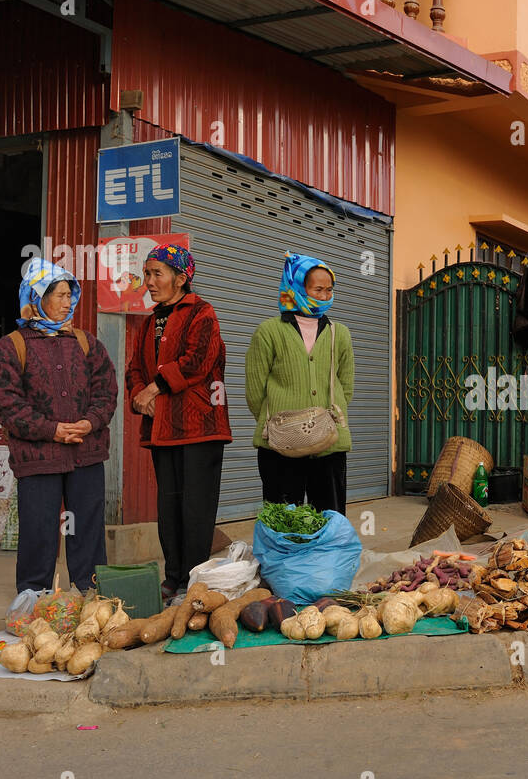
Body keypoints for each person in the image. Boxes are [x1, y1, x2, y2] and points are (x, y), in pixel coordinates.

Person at [0, 259, 116, 593]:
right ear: (36, 297)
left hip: (85, 454)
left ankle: (92, 597)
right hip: (38, 458)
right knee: (39, 529)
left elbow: (106, 391)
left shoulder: (87, 343)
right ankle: (32, 598)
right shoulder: (11, 346)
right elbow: (7, 404)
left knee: (87, 528)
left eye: (68, 294)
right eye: (58, 295)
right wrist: (52, 430)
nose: (66, 302)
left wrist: (89, 422)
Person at [125, 244, 231, 604]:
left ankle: (194, 579)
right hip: (162, 430)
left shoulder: (203, 313)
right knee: (168, 507)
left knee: (195, 507)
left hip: (199, 427)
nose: (149, 281)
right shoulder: (149, 321)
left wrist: (155, 388)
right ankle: (172, 576)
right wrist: (142, 395)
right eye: (147, 273)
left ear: (181, 278)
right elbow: (134, 370)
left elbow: (197, 361)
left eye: (157, 273)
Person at [245, 252, 355, 514]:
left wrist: (323, 419)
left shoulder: (339, 333)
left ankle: (325, 558)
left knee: (329, 519)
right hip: (280, 446)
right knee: (284, 521)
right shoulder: (268, 331)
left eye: (329, 289)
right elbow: (254, 392)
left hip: (330, 445)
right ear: (296, 287)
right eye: (318, 289)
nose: (326, 295)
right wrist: (284, 423)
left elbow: (346, 386)